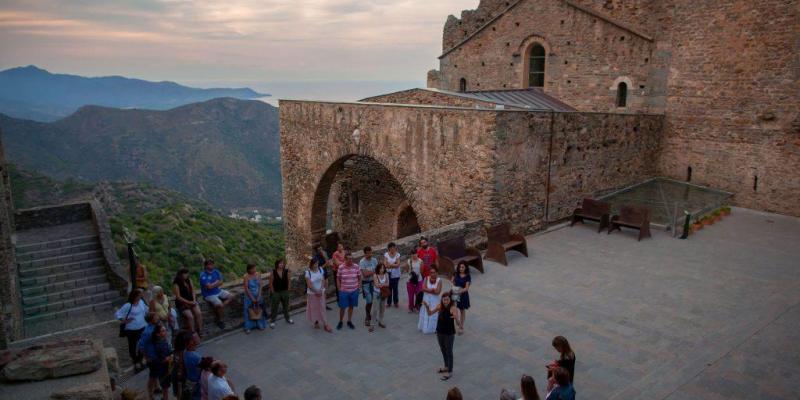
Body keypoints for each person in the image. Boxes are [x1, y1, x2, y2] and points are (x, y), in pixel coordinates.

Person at [423, 291, 462, 380]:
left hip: (449, 333)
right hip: (440, 332)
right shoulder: (439, 306)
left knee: (449, 352)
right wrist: (426, 306)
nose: (445, 301)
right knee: (443, 350)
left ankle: (450, 371)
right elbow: (429, 313)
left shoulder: (453, 308)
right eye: (444, 300)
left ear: (450, 300)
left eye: (447, 300)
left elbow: (459, 324)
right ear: (442, 300)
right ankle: (446, 366)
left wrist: (456, 317)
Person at [115, 289, 149, 371]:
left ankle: (140, 360)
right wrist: (125, 320)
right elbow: (118, 314)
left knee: (142, 344)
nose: (140, 296)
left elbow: (146, 309)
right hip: (131, 329)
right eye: (139, 295)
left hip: (142, 326)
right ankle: (135, 361)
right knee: (132, 346)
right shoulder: (128, 305)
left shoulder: (141, 302)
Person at [200, 260, 233, 329]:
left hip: (218, 291)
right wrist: (217, 282)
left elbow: (221, 282)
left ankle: (221, 308)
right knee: (219, 304)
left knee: (231, 296)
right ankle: (220, 320)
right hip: (209, 294)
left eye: (212, 264)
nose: (211, 266)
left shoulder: (216, 271)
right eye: (209, 264)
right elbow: (209, 287)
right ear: (205, 266)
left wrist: (214, 284)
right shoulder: (203, 275)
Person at [147, 324, 174, 400]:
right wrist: (169, 358)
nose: (165, 332)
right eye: (163, 331)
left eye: (165, 330)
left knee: (165, 387)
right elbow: (160, 359)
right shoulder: (158, 345)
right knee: (165, 387)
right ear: (158, 334)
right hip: (162, 369)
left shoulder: (164, 341)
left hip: (165, 368)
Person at [173, 268, 203, 336]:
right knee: (190, 316)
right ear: (181, 274)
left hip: (191, 300)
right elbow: (178, 297)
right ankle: (192, 332)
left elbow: (193, 290)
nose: (186, 275)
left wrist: (194, 300)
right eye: (185, 273)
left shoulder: (188, 280)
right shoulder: (176, 283)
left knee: (198, 313)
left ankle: (200, 330)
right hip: (182, 303)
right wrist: (189, 302)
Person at [305, 257, 332, 332]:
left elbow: (323, 280)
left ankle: (325, 323)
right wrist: (316, 291)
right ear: (311, 264)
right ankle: (316, 321)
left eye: (317, 263)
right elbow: (309, 285)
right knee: (314, 308)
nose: (316, 265)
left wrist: (320, 289)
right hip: (312, 294)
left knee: (322, 307)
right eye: (314, 264)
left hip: (321, 292)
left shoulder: (320, 269)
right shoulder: (308, 272)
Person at [336, 251, 361, 330]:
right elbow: (338, 278)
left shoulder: (356, 266)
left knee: (351, 306)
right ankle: (340, 321)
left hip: (354, 290)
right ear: (345, 259)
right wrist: (339, 289)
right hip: (344, 291)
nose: (351, 261)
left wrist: (358, 287)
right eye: (349, 259)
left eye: (351, 259)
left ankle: (349, 321)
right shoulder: (341, 267)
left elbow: (359, 277)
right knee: (342, 307)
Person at [418, 265, 442, 334]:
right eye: (431, 272)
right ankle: (425, 327)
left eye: (434, 272)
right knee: (425, 312)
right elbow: (423, 288)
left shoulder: (439, 280)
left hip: (435, 300)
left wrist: (427, 290)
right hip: (426, 299)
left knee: (434, 314)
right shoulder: (426, 278)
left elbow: (438, 292)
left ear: (437, 273)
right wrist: (431, 290)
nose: (432, 274)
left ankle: (433, 328)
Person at [242, 264, 267, 333]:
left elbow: (261, 285)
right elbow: (246, 288)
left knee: (259, 309)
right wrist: (252, 298)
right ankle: (248, 327)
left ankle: (260, 324)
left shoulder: (258, 274)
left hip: (257, 294)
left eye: (255, 268)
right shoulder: (246, 276)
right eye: (253, 268)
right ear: (249, 269)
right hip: (249, 296)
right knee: (248, 311)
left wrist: (259, 295)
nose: (254, 270)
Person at [269, 259, 294, 328]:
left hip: (284, 291)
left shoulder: (286, 271)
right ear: (277, 264)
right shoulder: (273, 272)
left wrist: (288, 290)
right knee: (274, 307)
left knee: (286, 306)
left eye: (282, 263)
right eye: (280, 263)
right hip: (276, 292)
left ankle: (288, 318)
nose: (281, 265)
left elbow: (289, 281)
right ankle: (272, 321)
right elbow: (270, 283)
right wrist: (273, 292)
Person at [358, 246, 378, 327]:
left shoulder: (374, 260)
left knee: (374, 300)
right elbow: (365, 275)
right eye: (368, 253)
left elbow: (377, 271)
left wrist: (370, 272)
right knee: (369, 300)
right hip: (366, 284)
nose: (370, 254)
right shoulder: (362, 262)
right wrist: (373, 271)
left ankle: (371, 315)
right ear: (365, 253)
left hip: (373, 282)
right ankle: (367, 317)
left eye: (371, 252)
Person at [451, 261, 471, 334]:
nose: (461, 268)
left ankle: (461, 326)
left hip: (463, 295)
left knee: (462, 311)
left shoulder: (467, 276)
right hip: (455, 294)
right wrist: (452, 281)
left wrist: (460, 291)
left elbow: (466, 288)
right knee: (454, 309)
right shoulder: (456, 274)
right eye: (460, 267)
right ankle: (458, 322)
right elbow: (453, 282)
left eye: (462, 267)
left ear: (465, 268)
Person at [183, 333, 203, 400]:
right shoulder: (195, 357)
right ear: (191, 341)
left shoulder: (185, 353)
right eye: (196, 337)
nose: (198, 338)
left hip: (191, 382)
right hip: (197, 384)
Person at [313, 245, 333, 310]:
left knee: (325, 290)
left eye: (321, 249)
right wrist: (325, 264)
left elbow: (329, 263)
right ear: (317, 251)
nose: (321, 250)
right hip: (319, 276)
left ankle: (324, 304)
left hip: (325, 274)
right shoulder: (315, 258)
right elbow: (317, 268)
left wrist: (325, 257)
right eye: (319, 250)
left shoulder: (323, 255)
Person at [371, 262, 389, 332]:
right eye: (381, 268)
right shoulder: (375, 275)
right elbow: (376, 285)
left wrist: (381, 284)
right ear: (378, 268)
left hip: (383, 294)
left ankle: (380, 321)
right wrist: (383, 284)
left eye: (383, 268)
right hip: (377, 294)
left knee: (382, 308)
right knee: (375, 309)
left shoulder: (386, 274)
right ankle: (372, 324)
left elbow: (388, 284)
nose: (382, 269)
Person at [384, 242, 402, 308]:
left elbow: (398, 265)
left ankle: (396, 302)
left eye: (393, 247)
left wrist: (390, 265)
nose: (392, 249)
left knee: (395, 289)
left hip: (396, 275)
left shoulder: (397, 255)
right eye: (391, 248)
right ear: (389, 248)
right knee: (389, 289)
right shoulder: (386, 254)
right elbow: (385, 265)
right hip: (388, 274)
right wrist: (393, 264)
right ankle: (389, 302)